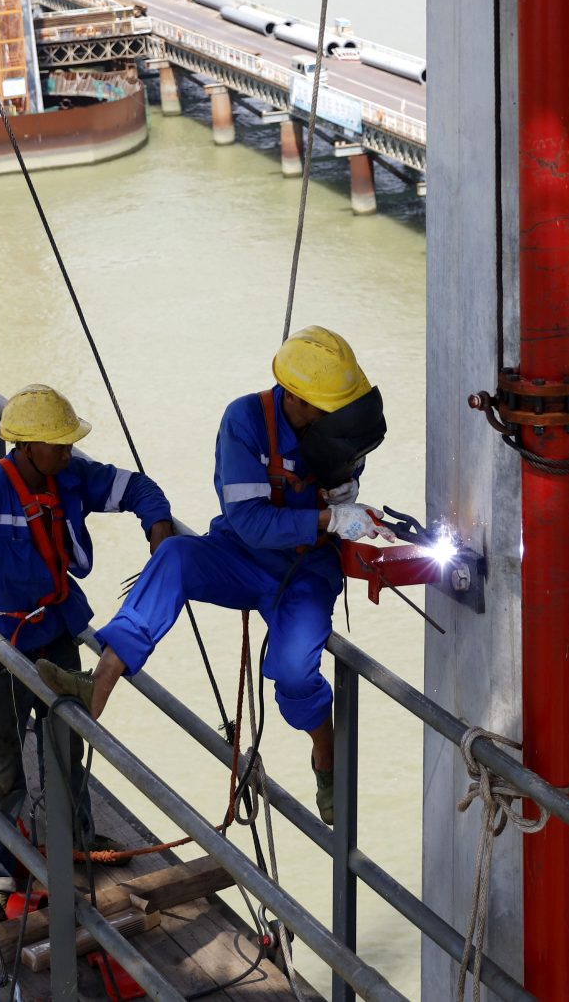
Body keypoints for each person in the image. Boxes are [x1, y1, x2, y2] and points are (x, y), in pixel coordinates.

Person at [83, 326, 387, 821]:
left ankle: (324, 752)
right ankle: (101, 677)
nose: (331, 417)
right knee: (176, 557)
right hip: (242, 552)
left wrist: (341, 499)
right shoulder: (245, 421)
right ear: (296, 397)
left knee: (293, 673)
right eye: (323, 408)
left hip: (307, 569)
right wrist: (328, 518)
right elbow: (250, 521)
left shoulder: (337, 431)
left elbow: (342, 487)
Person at [0, 383, 175, 886]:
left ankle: (77, 840)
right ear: (27, 447)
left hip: (57, 631)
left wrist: (159, 530)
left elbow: (139, 488)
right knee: (2, 764)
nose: (68, 449)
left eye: (68, 442)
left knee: (68, 746)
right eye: (58, 443)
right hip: (4, 646)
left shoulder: (72, 477)